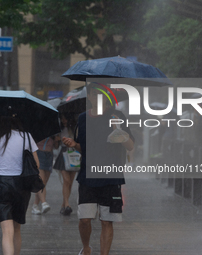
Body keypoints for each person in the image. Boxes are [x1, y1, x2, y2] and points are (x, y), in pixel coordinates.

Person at [62, 83, 134, 255]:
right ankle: (86, 248)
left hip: (111, 177)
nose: (98, 98)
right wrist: (74, 144)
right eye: (94, 94)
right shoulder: (82, 119)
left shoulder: (117, 115)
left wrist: (119, 131)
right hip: (88, 176)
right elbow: (83, 147)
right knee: (84, 219)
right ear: (89, 97)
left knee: (106, 221)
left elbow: (130, 145)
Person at [0, 115, 39, 255]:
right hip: (22, 187)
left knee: (7, 232)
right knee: (17, 229)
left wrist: (0, 161)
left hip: (2, 186)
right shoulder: (26, 137)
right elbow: (37, 165)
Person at [53, 112, 78, 215]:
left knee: (70, 182)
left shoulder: (75, 129)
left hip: (74, 155)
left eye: (65, 119)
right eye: (62, 119)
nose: (64, 121)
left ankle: (64, 205)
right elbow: (55, 147)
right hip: (63, 154)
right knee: (66, 181)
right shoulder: (59, 130)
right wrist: (56, 140)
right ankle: (67, 204)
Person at [31, 136, 58, 214]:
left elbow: (56, 147)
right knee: (41, 181)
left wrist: (56, 140)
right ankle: (44, 203)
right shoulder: (38, 130)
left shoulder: (52, 133)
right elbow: (32, 144)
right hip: (39, 154)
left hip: (49, 155)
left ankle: (35, 205)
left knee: (43, 183)